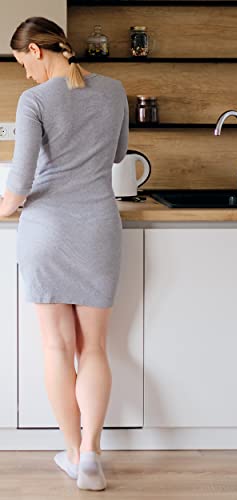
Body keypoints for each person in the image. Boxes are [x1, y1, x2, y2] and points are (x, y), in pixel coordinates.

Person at [0, 17, 129, 490]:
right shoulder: (114, 90)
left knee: (56, 347)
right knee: (93, 347)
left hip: (48, 230)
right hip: (98, 227)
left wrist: (2, 208)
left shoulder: (35, 100)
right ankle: (92, 452)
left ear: (36, 50)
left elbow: (19, 184)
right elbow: (119, 154)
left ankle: (73, 454)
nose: (26, 74)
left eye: (23, 63)